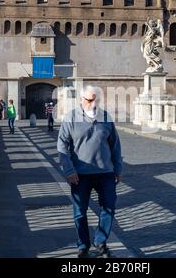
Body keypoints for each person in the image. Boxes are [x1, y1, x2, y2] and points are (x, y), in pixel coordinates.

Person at [57, 85, 123, 258]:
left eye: (96, 100)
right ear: (81, 99)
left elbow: (115, 145)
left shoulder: (106, 117)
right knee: (80, 212)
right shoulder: (71, 118)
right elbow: (62, 147)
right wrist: (69, 170)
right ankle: (83, 245)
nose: (93, 103)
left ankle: (100, 241)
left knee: (109, 208)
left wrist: (118, 168)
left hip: (105, 173)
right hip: (80, 174)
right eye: (89, 100)